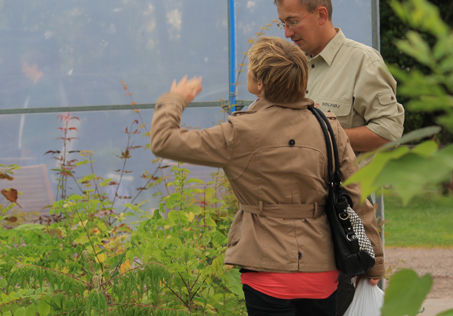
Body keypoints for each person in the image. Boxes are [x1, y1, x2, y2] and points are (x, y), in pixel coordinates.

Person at [150, 37, 383, 316]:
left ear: (260, 84)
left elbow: (163, 140)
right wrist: (374, 262)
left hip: (265, 269)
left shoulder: (240, 131)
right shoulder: (328, 126)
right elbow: (357, 197)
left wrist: (174, 100)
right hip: (321, 271)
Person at [274, 0, 405, 313]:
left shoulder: (363, 62)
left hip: (340, 220)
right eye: (283, 24)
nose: (287, 33)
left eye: (292, 21)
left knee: (339, 305)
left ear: (321, 14)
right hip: (290, 223)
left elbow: (390, 129)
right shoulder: (293, 66)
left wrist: (322, 133)